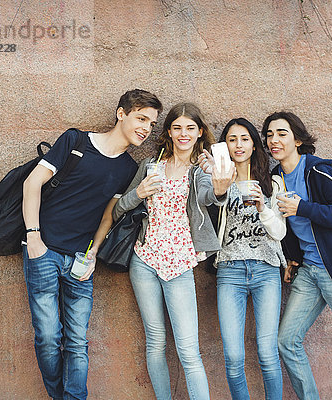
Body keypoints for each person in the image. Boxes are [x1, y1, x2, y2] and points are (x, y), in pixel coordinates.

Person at [22, 89, 163, 399]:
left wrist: (94, 252)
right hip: (43, 250)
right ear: (121, 113)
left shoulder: (128, 168)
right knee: (47, 337)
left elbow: (107, 216)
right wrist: (34, 238)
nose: (146, 128)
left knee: (76, 341)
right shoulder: (76, 142)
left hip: (81, 261)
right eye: (141, 118)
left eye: (152, 124)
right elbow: (32, 183)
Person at [112, 102, 234, 400]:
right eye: (177, 127)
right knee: (155, 341)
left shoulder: (201, 170)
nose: (183, 133)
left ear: (199, 132)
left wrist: (220, 188)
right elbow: (118, 208)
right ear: (168, 131)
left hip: (179, 264)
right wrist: (138, 194)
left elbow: (211, 197)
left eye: (190, 128)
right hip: (144, 260)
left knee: (188, 350)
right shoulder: (150, 165)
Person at [262, 111, 332, 400]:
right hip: (309, 271)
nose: (274, 140)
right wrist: (291, 258)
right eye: (270, 134)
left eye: (282, 133)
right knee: (286, 341)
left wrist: (304, 207)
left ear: (297, 139)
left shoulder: (317, 171)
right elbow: (285, 226)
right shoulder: (275, 179)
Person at [198, 118, 286, 400]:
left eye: (245, 138)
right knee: (233, 357)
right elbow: (204, 210)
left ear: (254, 144)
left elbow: (280, 232)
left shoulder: (272, 182)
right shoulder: (218, 180)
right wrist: (215, 180)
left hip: (266, 270)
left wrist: (263, 208)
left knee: (267, 353)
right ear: (225, 145)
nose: (239, 145)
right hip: (230, 271)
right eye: (232, 139)